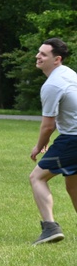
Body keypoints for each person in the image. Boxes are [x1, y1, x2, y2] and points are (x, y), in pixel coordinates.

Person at [28, 38, 77, 245]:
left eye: (44, 54)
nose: (38, 56)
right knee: (73, 184)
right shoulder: (69, 74)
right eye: (39, 52)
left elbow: (48, 125)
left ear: (57, 59)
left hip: (72, 139)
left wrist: (39, 146)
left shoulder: (52, 85)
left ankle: (50, 227)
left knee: (37, 177)